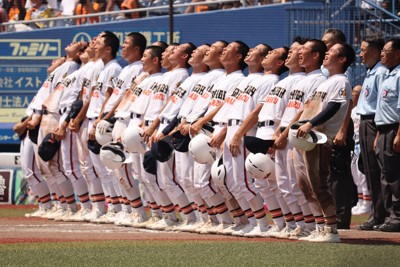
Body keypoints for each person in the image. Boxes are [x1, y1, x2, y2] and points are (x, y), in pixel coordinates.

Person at [296, 42, 355, 242]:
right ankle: (320, 226)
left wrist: (310, 124)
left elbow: (332, 108)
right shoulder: (326, 82)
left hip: (320, 138)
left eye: (332, 52)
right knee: (306, 186)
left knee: (319, 184)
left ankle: (331, 230)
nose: (327, 54)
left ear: (342, 59)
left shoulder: (341, 81)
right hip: (308, 137)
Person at [322, 28, 356, 229]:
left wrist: (342, 130)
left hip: (340, 122)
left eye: (328, 44)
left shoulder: (344, 72)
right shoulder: (328, 70)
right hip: (329, 123)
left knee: (338, 172)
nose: (325, 46)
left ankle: (341, 218)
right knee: (328, 173)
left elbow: (347, 102)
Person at [86, 32, 122, 223]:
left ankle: (117, 208)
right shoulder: (103, 68)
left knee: (109, 168)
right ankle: (111, 207)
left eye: (99, 43)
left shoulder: (114, 68)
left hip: (103, 121)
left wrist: (100, 120)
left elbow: (110, 97)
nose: (95, 46)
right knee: (100, 169)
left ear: (108, 48)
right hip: (95, 118)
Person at [356, 36, 389, 231]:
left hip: (374, 123)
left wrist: (377, 130)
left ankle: (381, 214)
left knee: (377, 171)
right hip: (365, 122)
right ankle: (378, 213)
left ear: (375, 52)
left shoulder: (381, 73)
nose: (360, 54)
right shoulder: (371, 72)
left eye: (363, 50)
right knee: (369, 170)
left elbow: (381, 104)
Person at [373, 38, 400, 232]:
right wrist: (377, 134)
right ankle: (390, 215)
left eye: (385, 50)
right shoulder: (387, 74)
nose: (381, 53)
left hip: (393, 129)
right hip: (382, 129)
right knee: (385, 175)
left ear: (397, 53)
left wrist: (398, 134)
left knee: (394, 176)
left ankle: (398, 216)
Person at [350, 85, 372, 216]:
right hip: (353, 145)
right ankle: (360, 201)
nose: (354, 94)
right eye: (353, 92)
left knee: (362, 176)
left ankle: (367, 203)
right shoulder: (352, 110)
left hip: (361, 144)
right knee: (356, 176)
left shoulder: (364, 108)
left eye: (357, 92)